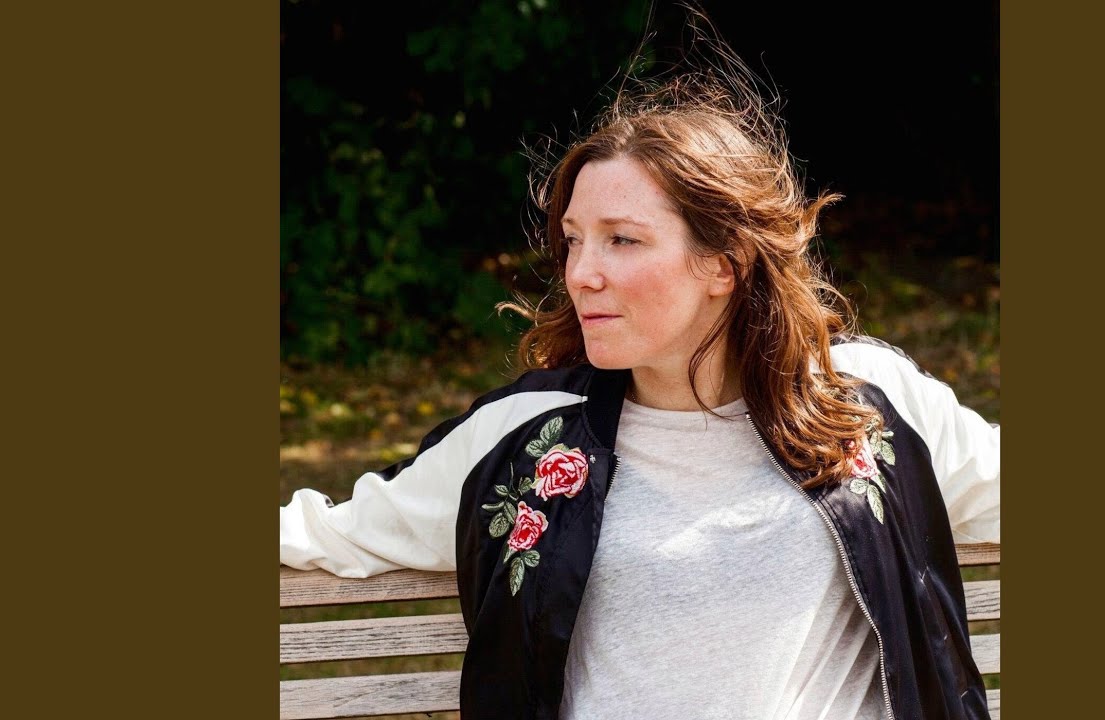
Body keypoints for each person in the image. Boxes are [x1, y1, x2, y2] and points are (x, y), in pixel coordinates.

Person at [280, 8, 999, 719]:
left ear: (724, 262)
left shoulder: (866, 401)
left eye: (621, 240)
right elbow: (328, 534)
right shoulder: (525, 439)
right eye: (574, 240)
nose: (581, 273)